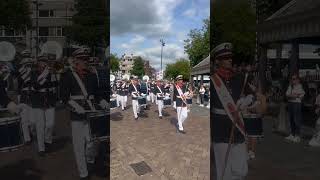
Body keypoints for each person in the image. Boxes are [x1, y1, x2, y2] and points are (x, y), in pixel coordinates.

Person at [60, 48, 108, 180]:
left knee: (92, 143)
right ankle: (83, 173)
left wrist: (103, 101)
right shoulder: (67, 75)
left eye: (86, 59)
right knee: (79, 145)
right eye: (82, 60)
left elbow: (96, 93)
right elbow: (64, 97)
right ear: (75, 61)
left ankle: (89, 162)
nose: (85, 62)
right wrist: (75, 107)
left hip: (92, 113)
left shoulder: (92, 74)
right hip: (76, 114)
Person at [211, 43, 248, 180]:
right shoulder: (213, 80)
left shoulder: (239, 78)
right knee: (224, 169)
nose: (229, 60)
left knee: (240, 169)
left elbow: (254, 98)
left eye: (230, 57)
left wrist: (247, 101)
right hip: (220, 129)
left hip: (237, 127)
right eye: (225, 58)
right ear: (217, 61)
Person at [285, 74, 305, 143]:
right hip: (291, 103)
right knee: (291, 120)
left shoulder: (300, 86)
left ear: (298, 80)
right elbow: (287, 94)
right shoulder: (290, 86)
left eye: (294, 79)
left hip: (296, 104)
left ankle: (297, 136)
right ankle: (292, 134)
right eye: (292, 79)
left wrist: (293, 96)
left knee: (297, 120)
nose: (292, 80)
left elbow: (300, 96)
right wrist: (294, 95)